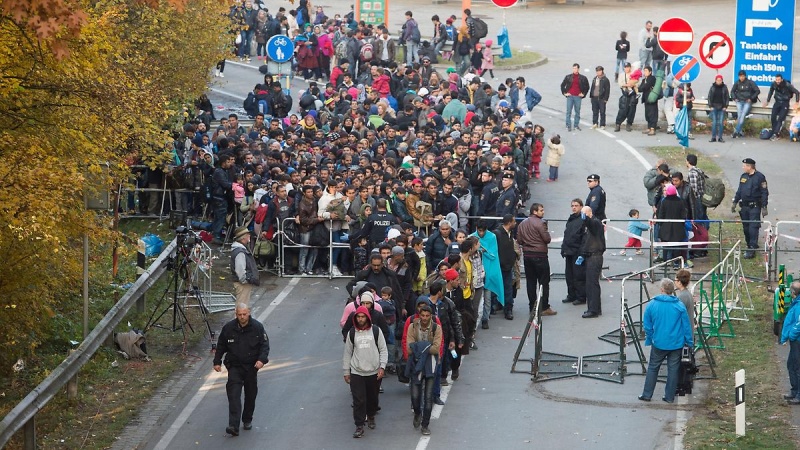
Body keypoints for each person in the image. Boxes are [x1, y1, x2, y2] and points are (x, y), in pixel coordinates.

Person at [213, 303, 270, 436]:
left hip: (251, 367)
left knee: (250, 395)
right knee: (233, 395)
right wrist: (217, 362)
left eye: (244, 314)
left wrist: (261, 360)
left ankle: (247, 419)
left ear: (248, 313)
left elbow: (264, 346)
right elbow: (221, 346)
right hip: (235, 367)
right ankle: (233, 425)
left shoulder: (257, 327)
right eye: (240, 315)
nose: (242, 317)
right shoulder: (229, 328)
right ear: (236, 314)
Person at [638, 279, 693, 404]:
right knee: (673, 370)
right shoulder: (679, 306)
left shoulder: (652, 304)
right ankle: (669, 397)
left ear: (662, 289)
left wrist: (650, 337)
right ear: (672, 290)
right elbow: (686, 326)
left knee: (653, 367)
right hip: (676, 344)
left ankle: (647, 394)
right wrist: (689, 342)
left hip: (659, 342)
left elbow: (647, 324)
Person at [343, 305, 388, 438]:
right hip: (357, 371)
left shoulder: (376, 331)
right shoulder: (352, 333)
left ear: (367, 317)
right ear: (355, 318)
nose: (361, 319)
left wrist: (382, 367)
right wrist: (346, 371)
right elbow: (347, 353)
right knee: (359, 400)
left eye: (363, 316)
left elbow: (383, 350)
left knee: (372, 398)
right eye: (358, 317)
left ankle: (371, 415)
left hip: (374, 372)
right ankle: (359, 425)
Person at [406, 303, 442, 436]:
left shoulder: (436, 328)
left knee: (428, 398)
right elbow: (409, 348)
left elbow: (436, 348)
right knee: (415, 397)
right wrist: (427, 346)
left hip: (431, 365)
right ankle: (417, 413)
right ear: (419, 316)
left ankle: (425, 425)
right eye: (423, 315)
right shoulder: (412, 326)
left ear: (431, 316)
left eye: (427, 315)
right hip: (416, 364)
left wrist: (418, 347)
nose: (425, 318)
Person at [517, 203, 555, 316]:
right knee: (543, 282)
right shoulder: (541, 223)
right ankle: (544, 307)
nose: (543, 212)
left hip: (527, 255)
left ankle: (532, 307)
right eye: (541, 210)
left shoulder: (522, 224)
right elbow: (547, 239)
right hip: (540, 255)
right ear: (535, 212)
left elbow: (519, 240)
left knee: (531, 282)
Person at [731, 158, 769, 259]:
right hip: (744, 207)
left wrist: (764, 206)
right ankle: (749, 244)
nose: (743, 167)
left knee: (753, 227)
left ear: (749, 166)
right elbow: (740, 190)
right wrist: (735, 202)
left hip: (754, 207)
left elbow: (764, 192)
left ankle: (752, 248)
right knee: (746, 228)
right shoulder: (743, 176)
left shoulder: (760, 177)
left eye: (744, 166)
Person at [579, 205, 605, 318]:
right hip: (591, 255)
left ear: (589, 213)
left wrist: (586, 219)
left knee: (591, 284)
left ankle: (593, 310)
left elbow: (592, 225)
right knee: (591, 283)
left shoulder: (595, 222)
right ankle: (595, 308)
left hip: (595, 256)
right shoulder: (590, 224)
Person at [561, 199, 586, 306]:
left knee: (578, 275)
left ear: (581, 206)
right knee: (569, 275)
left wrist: (582, 253)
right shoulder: (571, 219)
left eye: (576, 205)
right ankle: (571, 295)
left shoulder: (583, 220)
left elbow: (584, 238)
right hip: (569, 251)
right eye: (572, 205)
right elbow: (567, 234)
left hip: (577, 251)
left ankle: (581, 296)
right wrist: (563, 248)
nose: (574, 207)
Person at [763, 73, 800, 140]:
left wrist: (797, 102)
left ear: (782, 79)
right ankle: (774, 132)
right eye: (776, 80)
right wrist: (767, 101)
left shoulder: (787, 84)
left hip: (785, 103)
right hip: (777, 102)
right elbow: (771, 92)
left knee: (780, 118)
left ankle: (776, 134)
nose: (777, 81)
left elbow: (797, 92)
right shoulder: (773, 84)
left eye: (779, 80)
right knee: (773, 117)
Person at [780, 281, 800, 404]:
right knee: (791, 365)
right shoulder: (796, 303)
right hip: (795, 340)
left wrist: (791, 334)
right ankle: (794, 391)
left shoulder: (798, 305)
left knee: (797, 368)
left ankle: (798, 395)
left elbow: (798, 324)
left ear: (793, 292)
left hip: (797, 341)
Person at [495, 214, 518, 320]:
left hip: (508, 266)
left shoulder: (510, 233)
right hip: (500, 266)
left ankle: (506, 307)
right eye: (514, 221)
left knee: (508, 287)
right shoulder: (498, 234)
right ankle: (506, 308)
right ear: (509, 223)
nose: (515, 223)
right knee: (504, 287)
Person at [230, 226, 260, 306]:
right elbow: (240, 271)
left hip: (242, 284)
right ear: (243, 237)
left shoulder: (240, 250)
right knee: (241, 308)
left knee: (242, 307)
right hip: (242, 285)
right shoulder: (240, 252)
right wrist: (247, 280)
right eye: (248, 234)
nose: (249, 236)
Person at [730, 70, 760, 139]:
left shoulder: (750, 82)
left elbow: (757, 91)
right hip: (739, 101)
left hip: (747, 101)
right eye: (740, 76)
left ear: (745, 76)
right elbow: (732, 91)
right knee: (740, 115)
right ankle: (739, 132)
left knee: (743, 115)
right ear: (739, 76)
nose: (742, 78)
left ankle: (736, 131)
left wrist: (751, 98)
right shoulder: (737, 83)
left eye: (743, 76)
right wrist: (734, 98)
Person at [560, 63, 590, 131]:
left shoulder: (583, 78)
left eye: (576, 68)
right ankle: (568, 125)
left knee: (577, 111)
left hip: (578, 97)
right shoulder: (568, 77)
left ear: (578, 69)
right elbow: (562, 85)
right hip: (570, 96)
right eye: (573, 68)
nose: (574, 70)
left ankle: (576, 125)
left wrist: (583, 94)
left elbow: (587, 87)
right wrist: (565, 93)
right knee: (568, 111)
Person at [614, 62, 638, 132]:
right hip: (625, 94)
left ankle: (629, 124)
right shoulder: (622, 75)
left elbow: (637, 82)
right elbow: (620, 84)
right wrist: (628, 85)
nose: (626, 68)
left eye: (628, 67)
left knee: (632, 110)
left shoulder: (633, 74)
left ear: (630, 67)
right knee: (622, 110)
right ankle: (618, 124)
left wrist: (631, 84)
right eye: (625, 67)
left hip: (633, 94)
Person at [707, 75, 730, 143]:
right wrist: (710, 106)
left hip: (722, 107)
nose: (719, 81)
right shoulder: (713, 87)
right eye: (717, 80)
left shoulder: (724, 87)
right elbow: (709, 97)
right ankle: (713, 137)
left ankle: (720, 137)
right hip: (714, 106)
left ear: (722, 80)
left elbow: (727, 97)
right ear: (715, 80)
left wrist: (726, 106)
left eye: (720, 80)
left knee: (720, 123)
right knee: (714, 123)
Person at [638, 66, 658, 136]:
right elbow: (640, 88)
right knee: (647, 113)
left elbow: (646, 86)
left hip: (652, 99)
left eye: (646, 71)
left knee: (653, 114)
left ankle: (653, 128)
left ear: (650, 72)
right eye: (644, 71)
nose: (645, 72)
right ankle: (649, 127)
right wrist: (642, 87)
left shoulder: (652, 78)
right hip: (646, 99)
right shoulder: (644, 80)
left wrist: (643, 87)